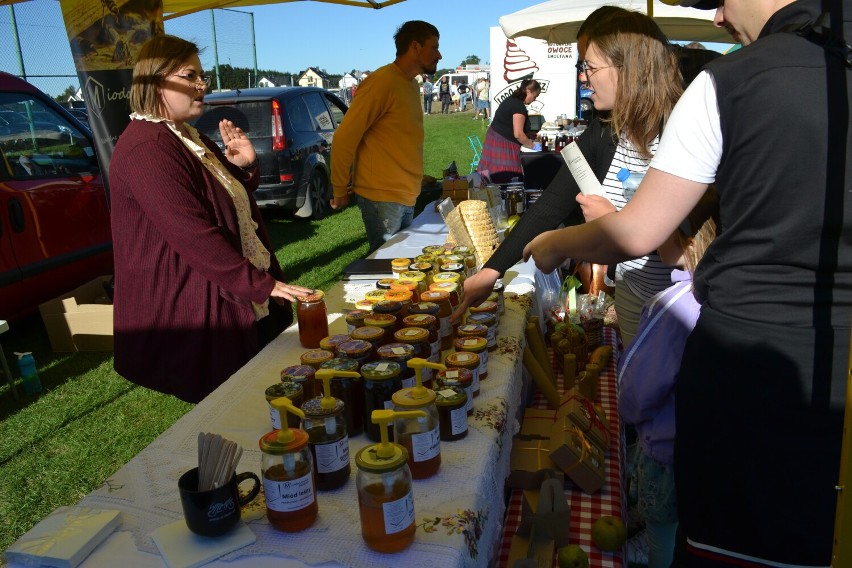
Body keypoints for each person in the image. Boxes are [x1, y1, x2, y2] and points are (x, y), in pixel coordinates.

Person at [523, 0, 851, 564]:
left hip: (741, 365)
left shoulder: (729, 83)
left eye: (720, 1)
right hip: (824, 370)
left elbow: (641, 234)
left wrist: (555, 244)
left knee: (721, 531)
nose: (719, 18)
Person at [455, 9, 681, 348]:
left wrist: (612, 225)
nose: (584, 78)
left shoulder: (681, 131)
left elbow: (685, 247)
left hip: (678, 309)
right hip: (633, 295)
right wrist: (492, 270)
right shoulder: (606, 127)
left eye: (590, 67)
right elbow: (552, 202)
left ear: (628, 68)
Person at [109, 35, 312, 404]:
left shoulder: (184, 135)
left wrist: (243, 167)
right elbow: (191, 232)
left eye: (202, 76)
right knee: (236, 404)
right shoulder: (148, 146)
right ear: (157, 81)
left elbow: (220, 200)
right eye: (190, 76)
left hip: (227, 288)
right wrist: (258, 284)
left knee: (264, 394)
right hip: (191, 303)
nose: (203, 85)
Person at [618, 188, 719, 568]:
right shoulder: (722, 297)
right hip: (704, 448)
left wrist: (626, 409)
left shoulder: (670, 307)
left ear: (684, 239)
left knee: (662, 533)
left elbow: (636, 387)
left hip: (663, 450)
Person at [330, 21, 441, 254]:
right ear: (415, 46)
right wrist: (340, 189)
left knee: (405, 267)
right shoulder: (381, 83)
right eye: (434, 47)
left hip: (406, 195)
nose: (439, 54)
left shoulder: (410, 84)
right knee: (388, 271)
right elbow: (344, 138)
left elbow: (398, 139)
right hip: (382, 197)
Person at [476, 78, 542, 184]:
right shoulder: (518, 106)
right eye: (535, 97)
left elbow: (510, 125)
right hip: (503, 145)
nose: (534, 99)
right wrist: (535, 147)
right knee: (507, 177)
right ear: (528, 91)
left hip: (495, 140)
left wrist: (529, 134)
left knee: (492, 176)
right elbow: (518, 134)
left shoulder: (512, 100)